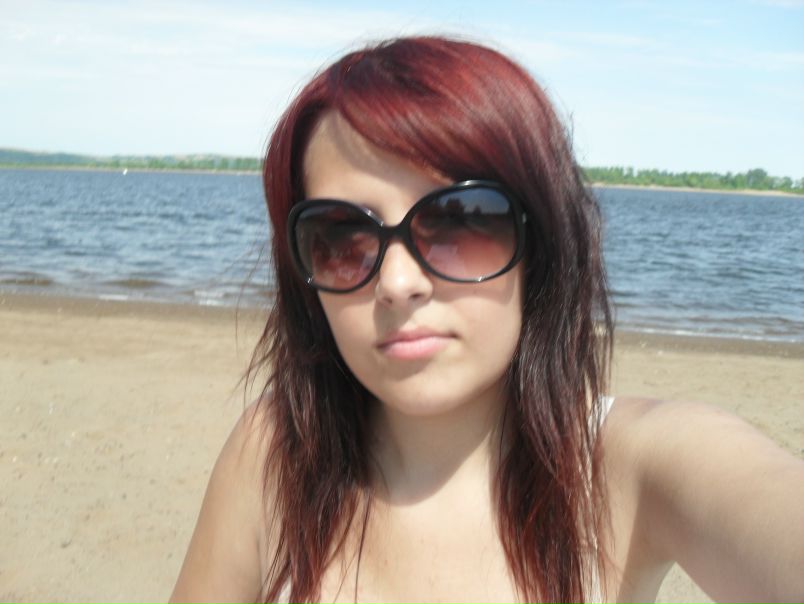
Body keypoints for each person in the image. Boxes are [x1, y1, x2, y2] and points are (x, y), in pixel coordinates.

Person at [170, 36, 804, 603]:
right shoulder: (275, 456)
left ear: (541, 243)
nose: (397, 283)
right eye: (341, 238)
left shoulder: (634, 468)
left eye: (460, 221)